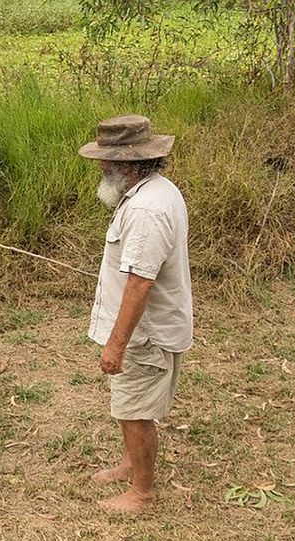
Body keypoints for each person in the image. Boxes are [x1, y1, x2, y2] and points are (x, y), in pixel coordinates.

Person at [79, 114, 193, 513]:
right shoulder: (156, 191)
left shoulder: (146, 209)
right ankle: (131, 465)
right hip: (146, 330)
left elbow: (140, 284)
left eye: (105, 162)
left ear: (126, 164)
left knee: (136, 411)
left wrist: (115, 344)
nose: (101, 168)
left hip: (145, 334)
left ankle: (142, 492)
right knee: (130, 405)